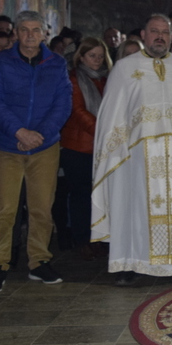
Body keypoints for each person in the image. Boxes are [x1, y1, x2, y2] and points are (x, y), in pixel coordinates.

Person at [91, 14, 172, 285]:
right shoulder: (125, 68)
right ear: (143, 34)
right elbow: (112, 115)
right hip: (137, 156)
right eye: (154, 31)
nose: (160, 36)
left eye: (165, 32)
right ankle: (131, 262)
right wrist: (115, 151)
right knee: (133, 206)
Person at [0, 11, 72, 293]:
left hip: (44, 146)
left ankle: (39, 261)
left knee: (41, 207)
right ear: (16, 33)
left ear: (45, 33)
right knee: (4, 209)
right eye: (24, 30)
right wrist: (19, 132)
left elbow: (63, 103)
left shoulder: (57, 63)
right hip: (6, 145)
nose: (30, 35)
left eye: (36, 30)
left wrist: (39, 135)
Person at [60, 37, 112, 258]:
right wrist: (104, 131)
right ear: (81, 57)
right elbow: (78, 111)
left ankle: (100, 237)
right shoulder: (73, 79)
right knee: (81, 195)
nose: (97, 60)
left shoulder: (107, 78)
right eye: (92, 56)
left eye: (100, 56)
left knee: (102, 196)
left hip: (103, 147)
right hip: (78, 146)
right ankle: (82, 238)